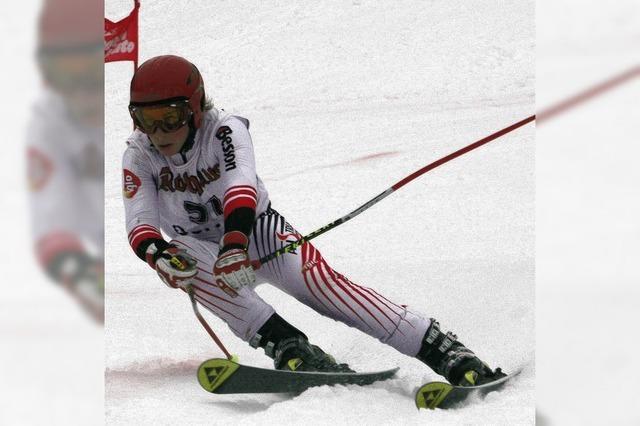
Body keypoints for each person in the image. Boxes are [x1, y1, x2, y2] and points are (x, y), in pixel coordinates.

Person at [122, 54, 505, 385]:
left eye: (169, 118)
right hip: (203, 250)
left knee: (322, 287)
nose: (157, 133)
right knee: (181, 257)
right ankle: (288, 345)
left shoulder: (223, 130)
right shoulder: (139, 154)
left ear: (194, 107)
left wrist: (235, 243)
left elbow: (240, 187)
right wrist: (159, 256)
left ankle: (441, 349)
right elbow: (140, 222)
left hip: (255, 232)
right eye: (145, 119)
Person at [28, 0, 104, 322]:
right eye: (65, 70)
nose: (80, 87)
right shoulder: (49, 123)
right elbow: (52, 213)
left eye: (89, 67)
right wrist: (78, 272)